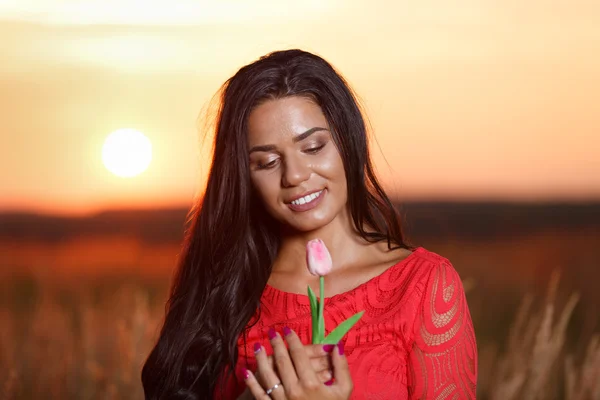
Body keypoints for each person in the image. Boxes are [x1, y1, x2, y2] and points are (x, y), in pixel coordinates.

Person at [141, 49, 478, 399]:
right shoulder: (224, 292)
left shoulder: (423, 286)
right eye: (268, 162)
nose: (296, 175)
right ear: (245, 176)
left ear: (349, 142)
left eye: (314, 147)